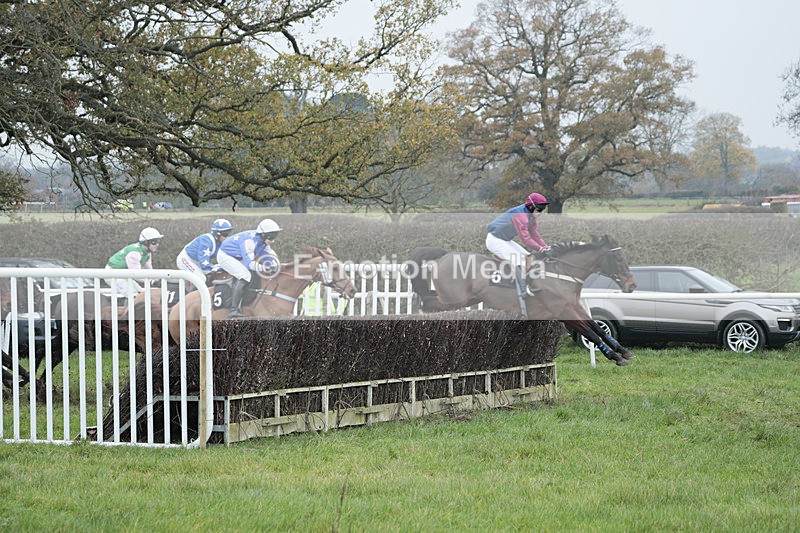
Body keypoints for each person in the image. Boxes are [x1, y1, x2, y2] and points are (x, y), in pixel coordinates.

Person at [217, 218, 282, 317]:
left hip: (238, 256)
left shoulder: (263, 241)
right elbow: (250, 264)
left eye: (274, 237)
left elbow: (271, 256)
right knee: (246, 276)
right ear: (263, 234)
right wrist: (266, 268)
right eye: (271, 237)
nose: (273, 241)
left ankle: (245, 300)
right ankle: (233, 310)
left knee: (253, 274)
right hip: (225, 256)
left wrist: (276, 266)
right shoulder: (249, 241)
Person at [486, 192, 551, 268]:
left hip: (505, 241)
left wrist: (546, 247)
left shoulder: (532, 218)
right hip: (495, 241)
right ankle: (516, 276)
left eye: (543, 209)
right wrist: (540, 249)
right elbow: (526, 239)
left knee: (529, 257)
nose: (541, 213)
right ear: (531, 207)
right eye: (539, 209)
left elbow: (535, 235)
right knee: (520, 260)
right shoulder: (521, 216)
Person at [105, 227, 164, 297]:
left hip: (123, 274)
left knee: (141, 293)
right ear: (146, 242)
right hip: (112, 274)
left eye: (158, 241)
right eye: (154, 242)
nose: (157, 245)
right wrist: (152, 281)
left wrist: (157, 279)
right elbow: (136, 274)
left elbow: (149, 270)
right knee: (133, 295)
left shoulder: (147, 253)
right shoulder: (134, 253)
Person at [176, 219, 234, 285]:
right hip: (186, 259)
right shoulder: (206, 241)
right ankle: (190, 292)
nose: (227, 237)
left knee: (214, 275)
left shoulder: (220, 242)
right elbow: (204, 264)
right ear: (217, 234)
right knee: (201, 278)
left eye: (228, 234)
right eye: (225, 234)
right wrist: (218, 267)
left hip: (197, 262)